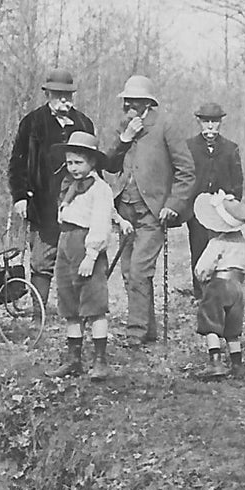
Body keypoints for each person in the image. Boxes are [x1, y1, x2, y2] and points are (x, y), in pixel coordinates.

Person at [100, 75, 196, 347]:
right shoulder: (123, 127)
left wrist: (172, 205)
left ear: (148, 103)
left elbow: (186, 171)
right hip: (125, 210)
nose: (130, 106)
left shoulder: (165, 126)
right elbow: (109, 165)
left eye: (136, 101)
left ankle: (136, 332)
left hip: (153, 212)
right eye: (127, 101)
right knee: (129, 272)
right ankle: (148, 329)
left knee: (140, 271)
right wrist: (124, 138)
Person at [8, 69, 96, 311]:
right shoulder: (32, 122)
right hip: (42, 204)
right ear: (47, 94)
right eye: (58, 94)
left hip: (79, 204)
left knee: (78, 259)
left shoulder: (84, 124)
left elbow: (94, 165)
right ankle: (39, 315)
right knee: (41, 262)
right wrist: (20, 197)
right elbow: (17, 164)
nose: (64, 100)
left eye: (68, 95)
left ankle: (78, 313)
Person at [45, 132, 117, 381]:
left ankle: (100, 361)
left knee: (93, 305)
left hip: (86, 245)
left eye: (79, 163)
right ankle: (74, 359)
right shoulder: (70, 186)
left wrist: (91, 255)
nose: (73, 168)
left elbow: (100, 222)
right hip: (66, 242)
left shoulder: (100, 189)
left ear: (92, 162)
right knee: (70, 305)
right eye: (70, 162)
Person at [186, 101, 245, 301]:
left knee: (222, 249)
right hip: (197, 210)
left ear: (221, 123)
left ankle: (221, 292)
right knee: (199, 248)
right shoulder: (189, 147)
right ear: (199, 122)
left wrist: (231, 201)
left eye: (214, 122)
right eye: (206, 122)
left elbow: (237, 181)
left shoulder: (230, 148)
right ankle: (200, 294)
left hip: (222, 210)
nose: (210, 126)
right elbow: (183, 177)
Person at [191, 191, 245, 379]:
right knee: (233, 328)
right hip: (237, 287)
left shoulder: (217, 243)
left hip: (218, 285)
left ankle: (215, 362)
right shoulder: (244, 245)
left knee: (211, 322)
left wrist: (203, 279)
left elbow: (202, 268)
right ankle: (237, 365)